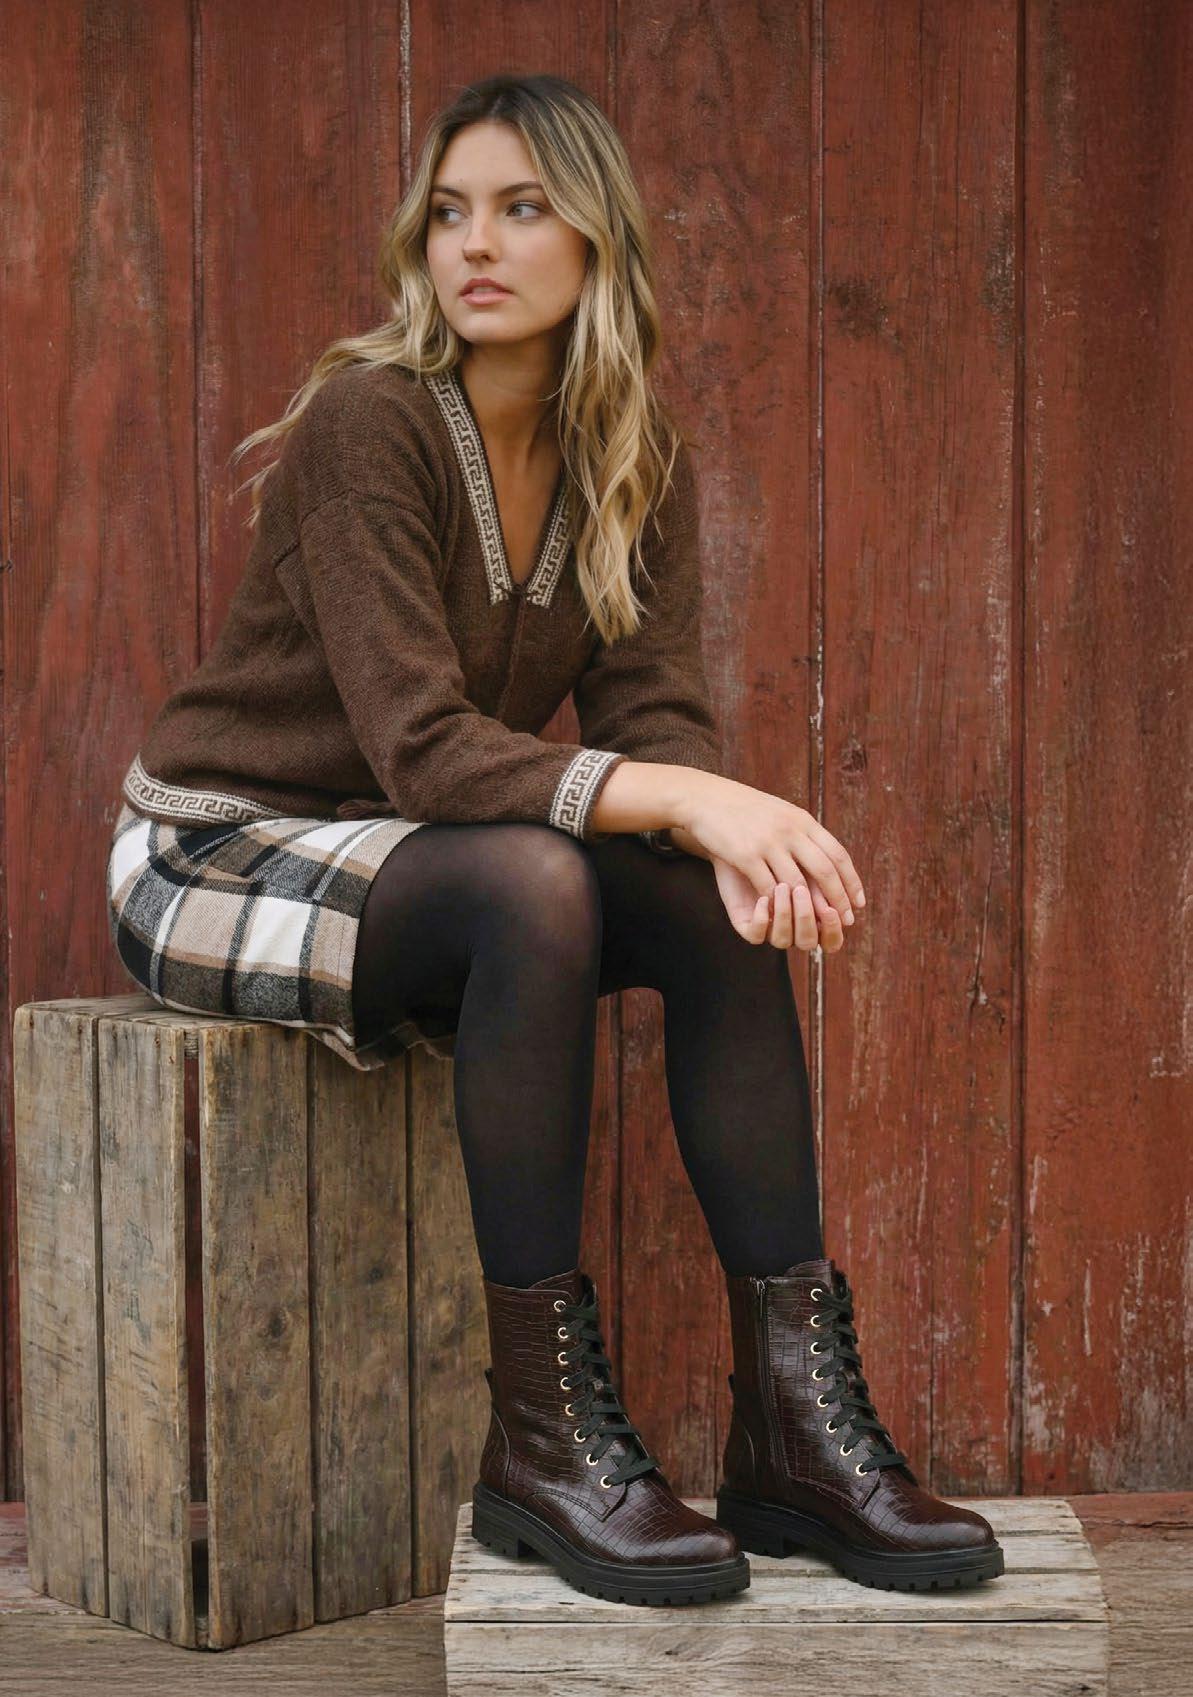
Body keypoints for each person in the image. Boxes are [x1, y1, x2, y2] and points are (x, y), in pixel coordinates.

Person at [106, 72, 1003, 1607]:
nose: (475, 243)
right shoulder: (372, 419)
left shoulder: (629, 453)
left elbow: (654, 723)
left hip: (415, 851)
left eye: (521, 208)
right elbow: (423, 745)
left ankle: (792, 1432)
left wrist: (708, 826)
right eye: (450, 211)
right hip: (219, 853)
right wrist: (694, 798)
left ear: (596, 240)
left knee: (705, 899)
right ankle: (543, 1443)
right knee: (538, 878)